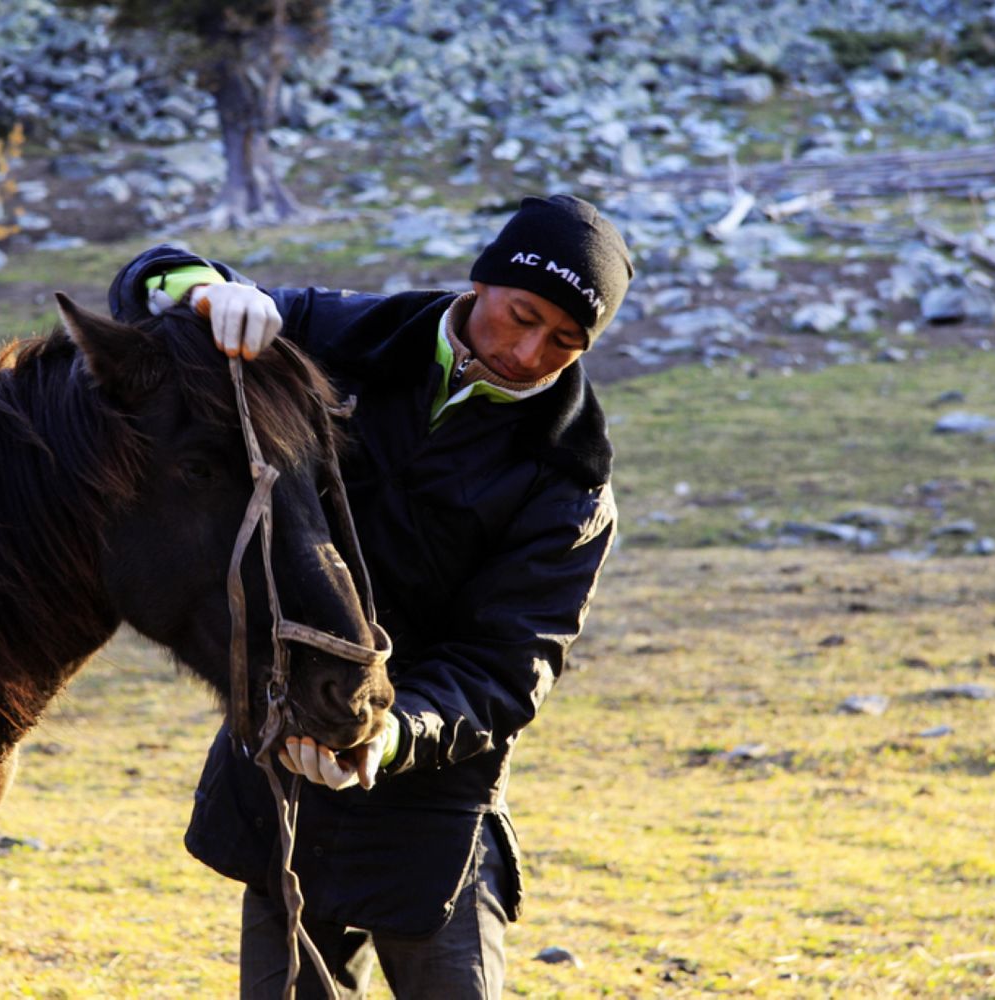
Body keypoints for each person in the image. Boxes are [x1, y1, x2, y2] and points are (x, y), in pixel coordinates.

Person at [108, 194, 631, 998]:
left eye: (565, 342)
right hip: (281, 768)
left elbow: (507, 667)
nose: (529, 353)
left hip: (428, 801)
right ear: (481, 282)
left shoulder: (571, 482)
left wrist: (388, 736)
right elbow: (151, 292)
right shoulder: (337, 334)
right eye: (521, 315)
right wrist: (198, 289)